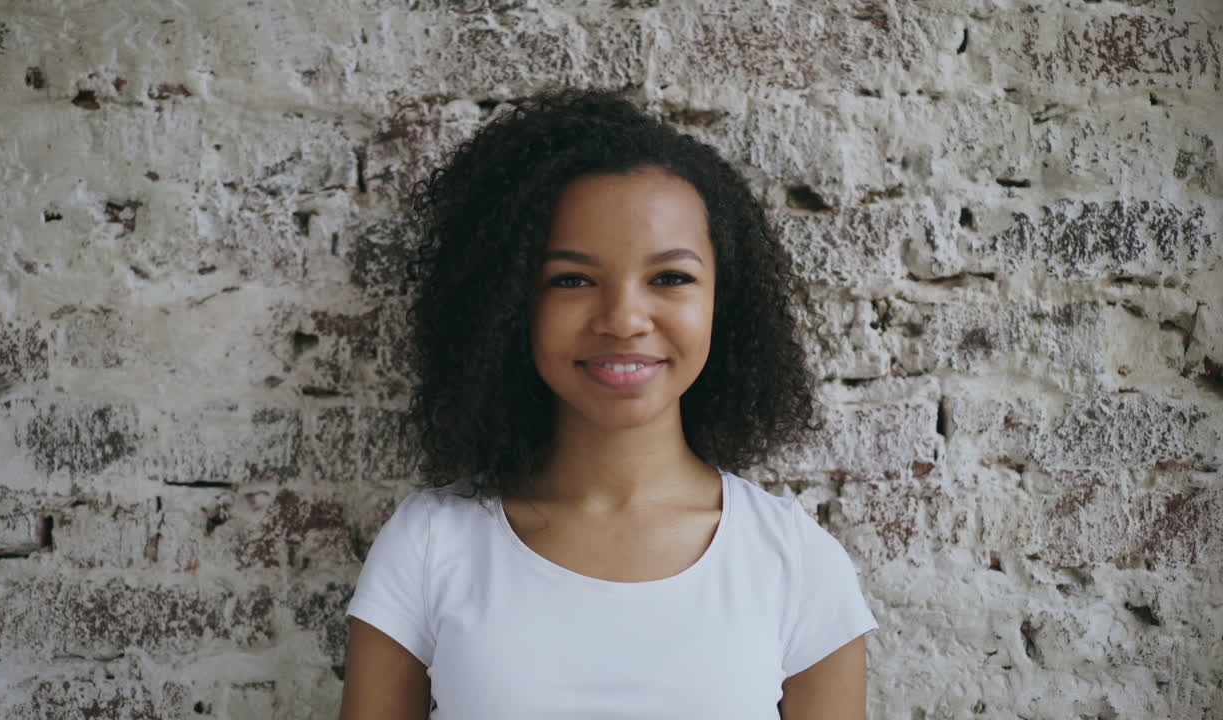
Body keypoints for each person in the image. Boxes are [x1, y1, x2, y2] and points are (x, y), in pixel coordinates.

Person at [339, 88, 877, 719]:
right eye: (571, 279)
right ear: (508, 304)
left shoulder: (796, 562)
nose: (623, 319)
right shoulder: (431, 543)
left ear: (722, 305)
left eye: (670, 278)